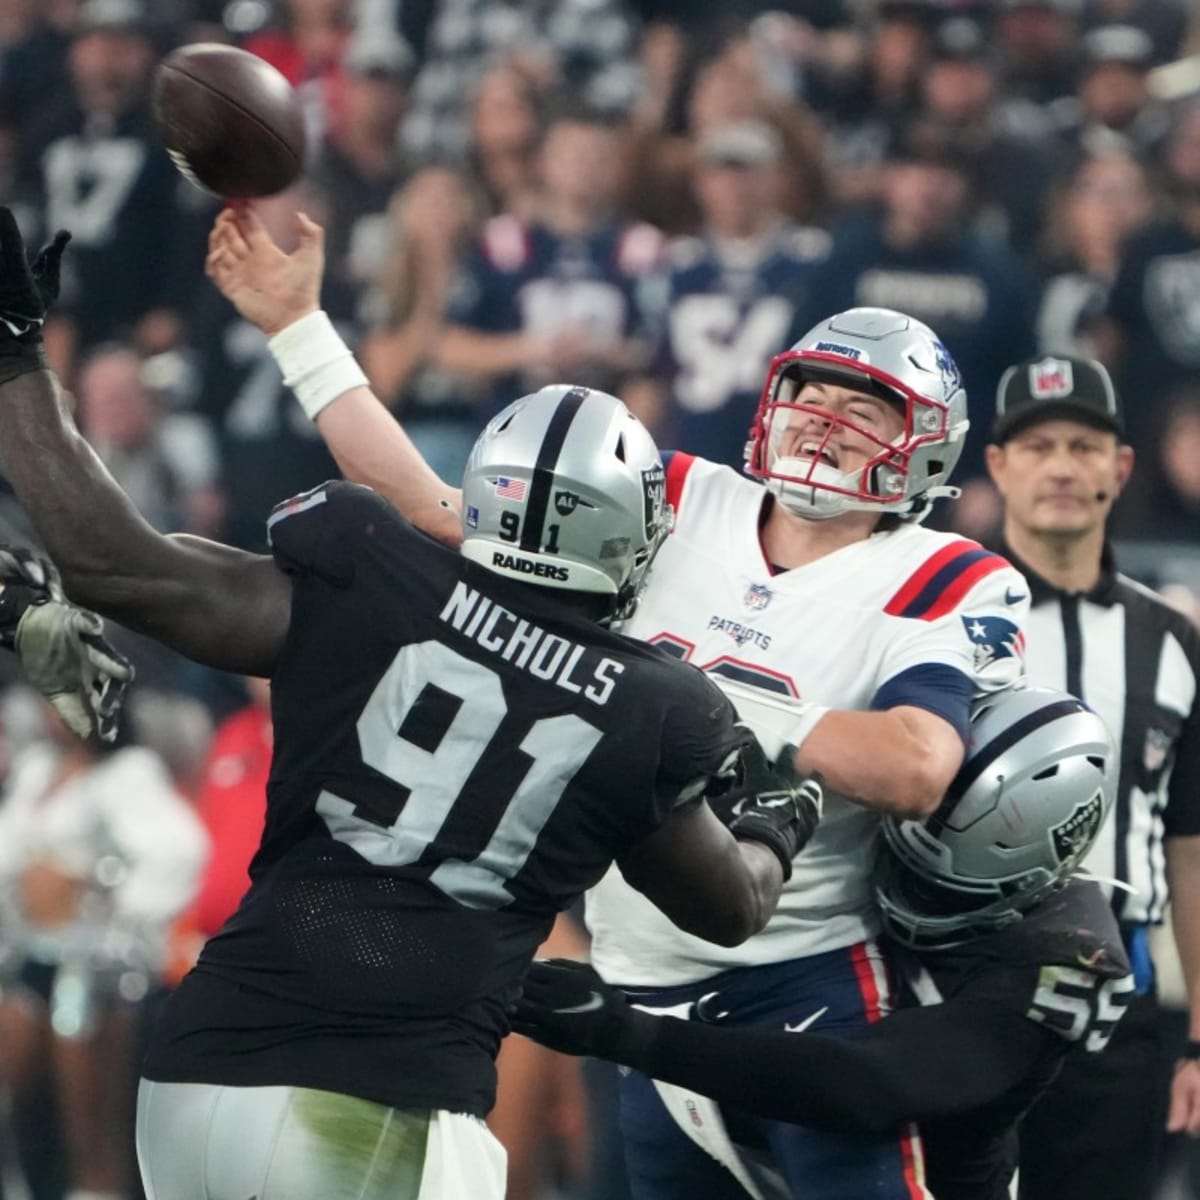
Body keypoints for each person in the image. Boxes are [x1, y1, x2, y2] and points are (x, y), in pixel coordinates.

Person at [204, 201, 1033, 1199]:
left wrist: (687, 699)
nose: (826, 418)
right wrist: (301, 331)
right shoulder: (682, 494)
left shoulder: (950, 574)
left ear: (926, 447)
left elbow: (915, 763)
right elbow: (437, 513)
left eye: (866, 409)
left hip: (808, 981)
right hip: (634, 982)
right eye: (814, 392)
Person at [0, 206, 818, 1200]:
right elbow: (728, 906)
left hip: (195, 1076)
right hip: (380, 1108)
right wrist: (778, 818)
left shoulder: (368, 572)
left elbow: (110, 562)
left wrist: (14, 360)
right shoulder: (648, 706)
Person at [513, 685, 1134, 1200]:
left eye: (931, 872)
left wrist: (632, 1034)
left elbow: (870, 1085)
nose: (900, 881)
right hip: (755, 1134)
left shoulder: (1066, 955)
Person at [982, 354, 1200, 1198]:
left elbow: (1189, 844)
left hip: (1121, 1013)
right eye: (1037, 447)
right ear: (998, 466)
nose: (1063, 466)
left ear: (1121, 466)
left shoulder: (1170, 640)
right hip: (959, 993)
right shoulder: (939, 614)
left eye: (1083, 443)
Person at [0, 696, 208, 1200]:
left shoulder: (130, 773)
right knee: (19, 1097)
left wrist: (98, 889)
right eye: (51, 700)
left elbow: (182, 853)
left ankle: (95, 1190)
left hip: (97, 969)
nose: (60, 712)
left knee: (90, 1123)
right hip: (29, 955)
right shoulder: (36, 771)